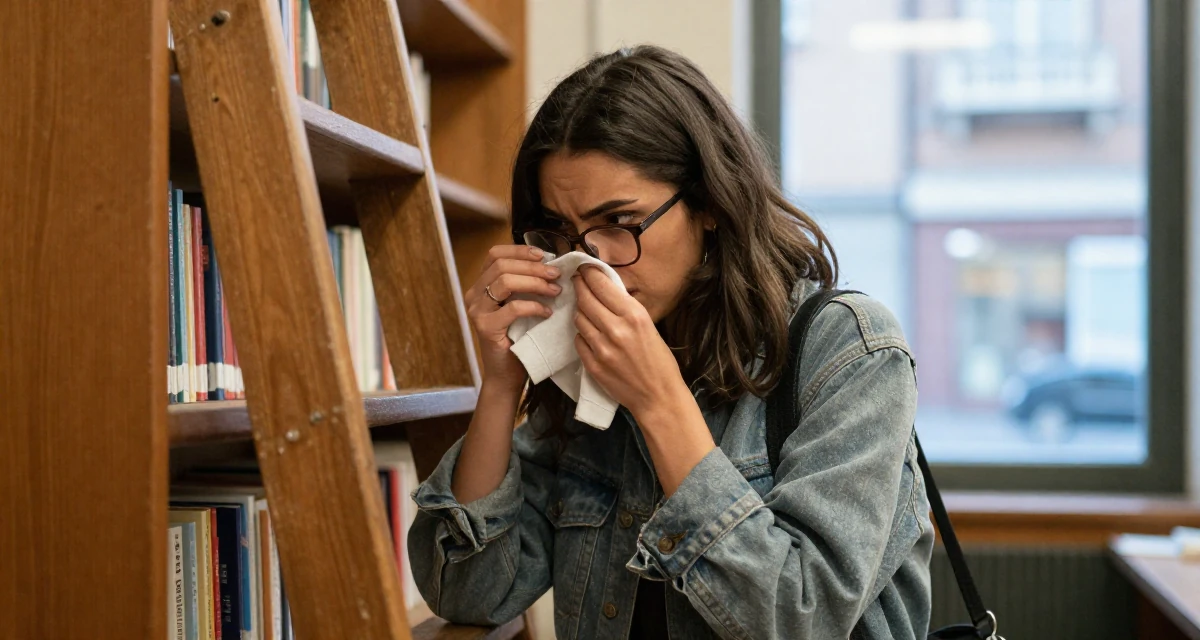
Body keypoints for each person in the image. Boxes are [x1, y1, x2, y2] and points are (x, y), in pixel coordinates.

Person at [408, 45, 933, 639]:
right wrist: (502, 385)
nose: (591, 260)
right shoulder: (585, 372)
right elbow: (468, 592)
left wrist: (659, 403)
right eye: (561, 231)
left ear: (709, 203)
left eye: (619, 222)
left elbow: (800, 617)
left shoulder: (848, 351)